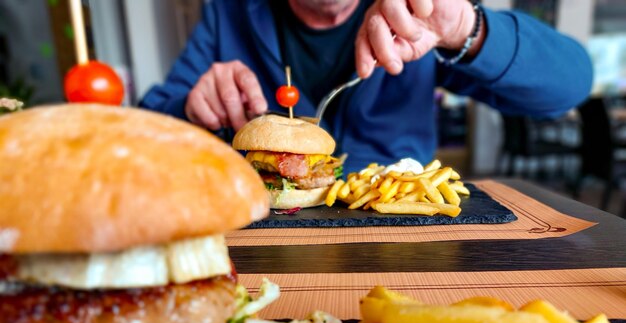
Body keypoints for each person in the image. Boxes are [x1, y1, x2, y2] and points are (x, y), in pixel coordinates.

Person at [140, 0, 593, 172]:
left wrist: (466, 29)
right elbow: (149, 123)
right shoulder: (228, 12)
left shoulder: (417, 11)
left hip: (399, 239)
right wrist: (191, 106)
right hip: (267, 236)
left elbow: (569, 84)